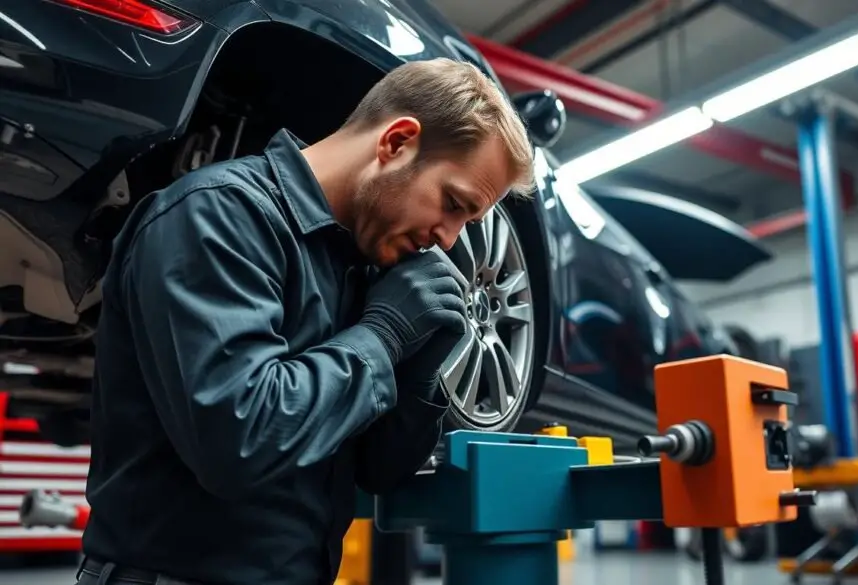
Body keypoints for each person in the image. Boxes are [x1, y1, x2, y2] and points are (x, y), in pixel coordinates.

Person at [75, 57, 536, 585]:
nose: (449, 239)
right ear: (397, 142)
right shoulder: (218, 217)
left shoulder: (365, 266)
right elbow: (239, 440)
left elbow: (377, 472)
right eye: (453, 203)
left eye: (467, 222)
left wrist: (421, 370)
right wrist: (382, 337)